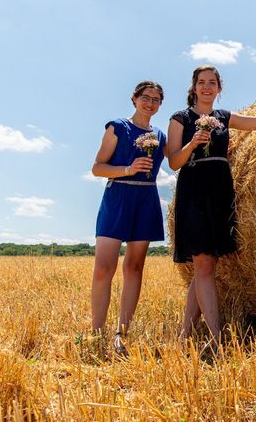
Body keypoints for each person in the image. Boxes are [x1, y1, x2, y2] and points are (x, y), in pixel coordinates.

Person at [168, 65, 256, 344]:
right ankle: (217, 337)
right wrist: (193, 143)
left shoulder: (223, 117)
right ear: (193, 87)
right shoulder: (180, 118)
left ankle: (185, 334)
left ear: (219, 87)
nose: (207, 87)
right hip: (194, 188)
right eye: (202, 82)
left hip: (220, 190)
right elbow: (173, 162)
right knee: (204, 262)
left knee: (206, 265)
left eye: (212, 82)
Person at [91, 80, 167, 356]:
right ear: (134, 99)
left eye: (156, 99)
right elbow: (97, 168)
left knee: (134, 268)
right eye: (146, 97)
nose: (150, 103)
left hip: (146, 199)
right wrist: (128, 168)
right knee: (103, 268)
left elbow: (177, 158)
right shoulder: (117, 127)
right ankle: (96, 335)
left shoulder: (161, 134)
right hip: (118, 197)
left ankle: (121, 335)